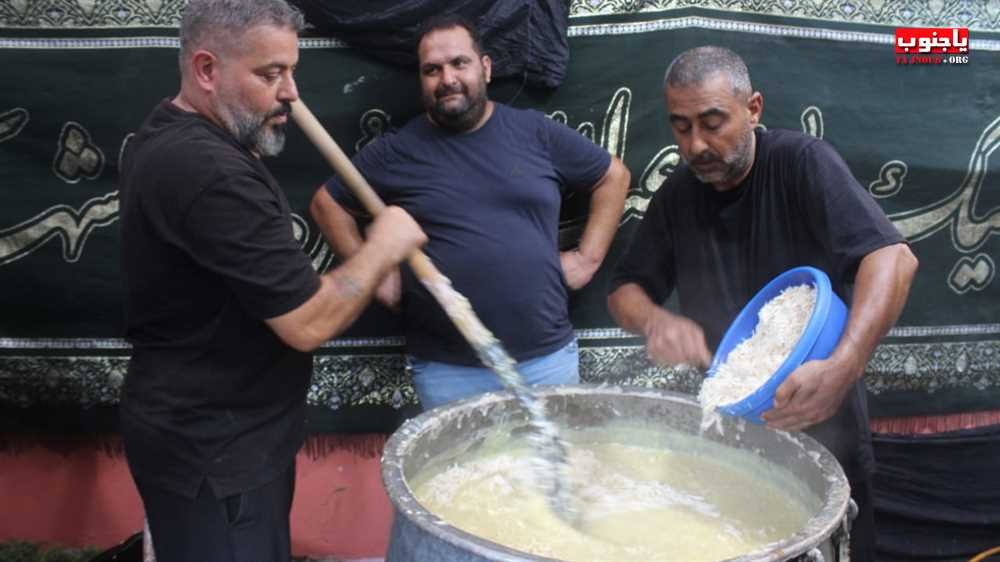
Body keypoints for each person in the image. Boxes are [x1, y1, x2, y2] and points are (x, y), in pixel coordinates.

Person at [117, 1, 426, 560]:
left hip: (213, 436)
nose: (290, 93)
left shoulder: (172, 134)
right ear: (207, 70)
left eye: (291, 71)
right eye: (269, 74)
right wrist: (382, 247)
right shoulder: (208, 171)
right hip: (214, 450)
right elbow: (307, 323)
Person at [607, 46, 918, 561]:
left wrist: (844, 366)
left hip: (824, 429)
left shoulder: (801, 164)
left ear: (753, 108)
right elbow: (624, 291)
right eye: (681, 127)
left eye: (712, 122)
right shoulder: (678, 195)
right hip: (729, 439)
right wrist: (654, 320)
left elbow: (893, 260)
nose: (697, 144)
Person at [310, 14, 631, 410]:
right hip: (447, 370)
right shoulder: (398, 150)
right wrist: (379, 279)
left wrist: (587, 259)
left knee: (552, 471)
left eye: (459, 63)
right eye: (432, 70)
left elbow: (613, 177)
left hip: (545, 359)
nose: (447, 79)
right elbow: (328, 204)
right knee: (458, 472)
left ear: (486, 68)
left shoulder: (535, 133)